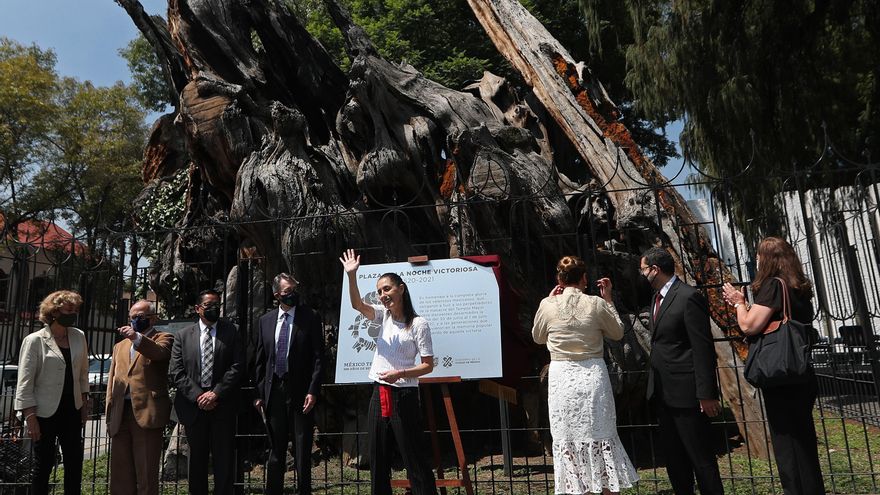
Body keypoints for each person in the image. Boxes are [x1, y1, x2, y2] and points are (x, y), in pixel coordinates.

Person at [722, 236, 824, 494]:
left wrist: (738, 302)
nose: (756, 260)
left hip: (780, 374)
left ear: (766, 259)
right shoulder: (800, 286)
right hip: (801, 372)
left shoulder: (773, 286)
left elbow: (748, 325)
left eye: (758, 256)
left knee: (786, 443)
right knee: (803, 440)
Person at [531, 255, 639, 494]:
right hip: (592, 377)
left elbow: (538, 337)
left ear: (559, 278)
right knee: (600, 438)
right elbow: (617, 332)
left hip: (562, 380)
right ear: (584, 278)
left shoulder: (547, 305)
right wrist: (608, 299)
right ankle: (606, 487)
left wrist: (548, 301)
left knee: (568, 442)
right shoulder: (595, 304)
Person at [339, 249, 438, 495]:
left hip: (404, 396)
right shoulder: (382, 316)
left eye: (387, 289)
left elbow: (428, 365)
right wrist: (352, 276)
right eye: (380, 291)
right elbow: (356, 304)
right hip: (379, 393)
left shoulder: (418, 324)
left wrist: (401, 373)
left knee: (413, 457)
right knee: (378, 459)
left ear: (401, 289)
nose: (383, 295)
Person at [640, 247, 724, 495]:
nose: (641, 273)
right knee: (675, 459)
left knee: (701, 458)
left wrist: (706, 393)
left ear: (655, 270)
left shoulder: (688, 297)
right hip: (663, 393)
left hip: (687, 393)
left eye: (643, 269)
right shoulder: (656, 298)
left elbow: (702, 347)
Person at [253, 273, 324, 495]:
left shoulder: (310, 317)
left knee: (302, 446)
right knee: (276, 446)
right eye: (287, 291)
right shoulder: (265, 321)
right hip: (275, 390)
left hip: (301, 391)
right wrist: (259, 393)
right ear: (277, 295)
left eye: (295, 289)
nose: (293, 294)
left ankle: (304, 490)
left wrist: (313, 390)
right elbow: (260, 360)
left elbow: (319, 357)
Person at [169, 289, 245, 495]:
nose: (214, 309)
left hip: (222, 405)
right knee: (197, 462)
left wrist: (216, 393)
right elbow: (176, 371)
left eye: (217, 305)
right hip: (194, 408)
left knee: (224, 459)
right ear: (197, 308)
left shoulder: (232, 331)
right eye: (209, 305)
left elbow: (237, 365)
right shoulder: (183, 336)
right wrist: (199, 396)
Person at [14, 290, 89, 495]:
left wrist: (84, 407)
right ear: (54, 311)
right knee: (43, 465)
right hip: (44, 413)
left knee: (74, 464)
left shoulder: (78, 336)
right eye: (68, 309)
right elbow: (25, 382)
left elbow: (82, 374)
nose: (73, 313)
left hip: (71, 410)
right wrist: (30, 417)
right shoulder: (35, 340)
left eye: (75, 309)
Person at [106, 299, 174, 495]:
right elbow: (113, 380)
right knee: (120, 473)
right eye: (133, 317)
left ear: (153, 319)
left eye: (141, 316)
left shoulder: (164, 338)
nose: (135, 319)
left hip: (146, 413)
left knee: (146, 473)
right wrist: (110, 413)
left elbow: (160, 354)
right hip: (121, 414)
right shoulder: (119, 346)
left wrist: (137, 337)